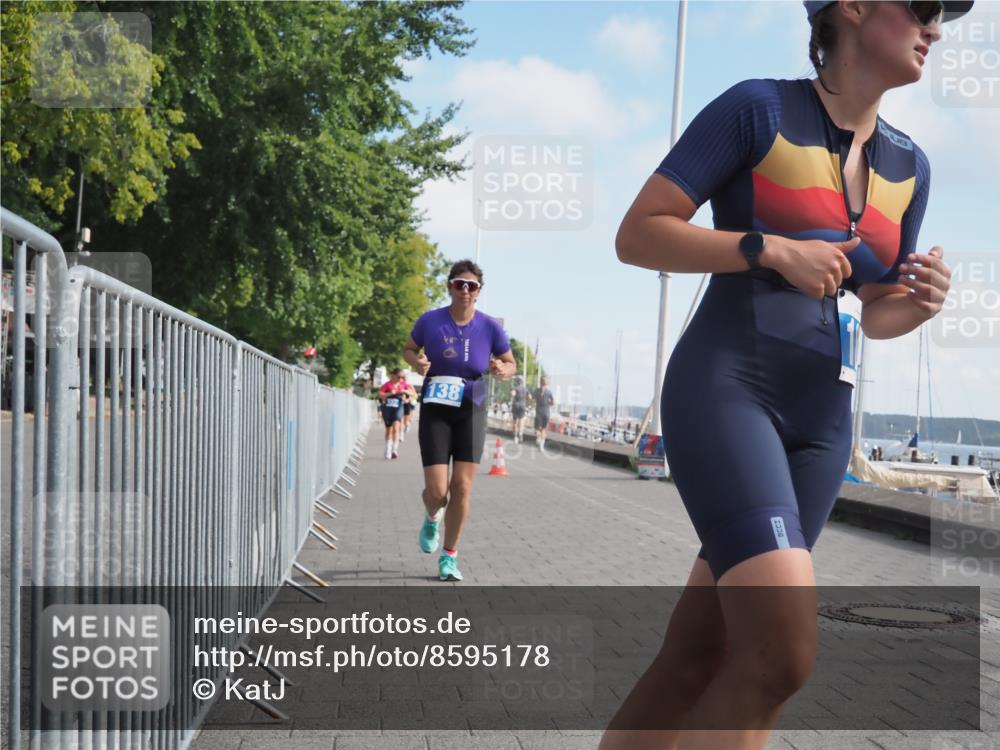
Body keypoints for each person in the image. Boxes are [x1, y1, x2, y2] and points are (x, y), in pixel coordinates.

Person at [602, 2, 960, 748]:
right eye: (925, 6)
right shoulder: (758, 108)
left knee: (700, 654)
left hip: (824, 430)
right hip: (730, 390)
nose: (937, 26)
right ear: (853, 8)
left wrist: (916, 304)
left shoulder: (910, 165)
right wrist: (767, 248)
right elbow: (638, 235)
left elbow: (877, 304)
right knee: (782, 656)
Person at [403, 260, 517, 581]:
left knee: (462, 486)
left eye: (472, 286)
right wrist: (416, 362)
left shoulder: (490, 326)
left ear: (479, 292)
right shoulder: (430, 321)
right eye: (459, 284)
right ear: (449, 287)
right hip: (437, 402)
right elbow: (409, 349)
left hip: (473, 403)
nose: (465, 290)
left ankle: (449, 557)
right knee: (438, 491)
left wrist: (503, 370)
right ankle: (431, 517)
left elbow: (511, 363)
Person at [377, 368, 407, 459]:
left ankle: (394, 449)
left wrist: (405, 392)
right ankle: (388, 449)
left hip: (398, 408)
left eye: (402, 377)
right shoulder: (387, 384)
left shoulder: (403, 384)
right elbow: (379, 394)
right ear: (393, 375)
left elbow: (414, 394)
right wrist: (389, 394)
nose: (400, 379)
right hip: (388, 409)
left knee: (396, 428)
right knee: (389, 430)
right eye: (399, 377)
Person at [532, 376, 555, 452]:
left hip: (539, 412)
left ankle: (538, 439)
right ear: (547, 383)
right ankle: (542, 446)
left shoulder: (536, 391)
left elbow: (533, 399)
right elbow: (553, 403)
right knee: (544, 430)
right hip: (546, 412)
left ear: (540, 382)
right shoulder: (549, 392)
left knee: (537, 429)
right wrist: (548, 403)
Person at [510, 375, 529, 443]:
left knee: (515, 421)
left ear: (517, 381)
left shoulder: (515, 388)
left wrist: (512, 392)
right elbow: (529, 397)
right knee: (521, 420)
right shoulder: (525, 389)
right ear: (522, 381)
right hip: (522, 405)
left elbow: (513, 394)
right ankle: (520, 435)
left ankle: (515, 436)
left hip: (515, 405)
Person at [399, 375, 418, 440]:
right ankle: (401, 435)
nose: (403, 380)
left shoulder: (409, 385)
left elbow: (415, 395)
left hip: (407, 404)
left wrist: (408, 399)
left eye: (404, 378)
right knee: (400, 420)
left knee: (405, 421)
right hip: (399, 404)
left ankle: (407, 425)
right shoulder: (398, 385)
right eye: (402, 378)